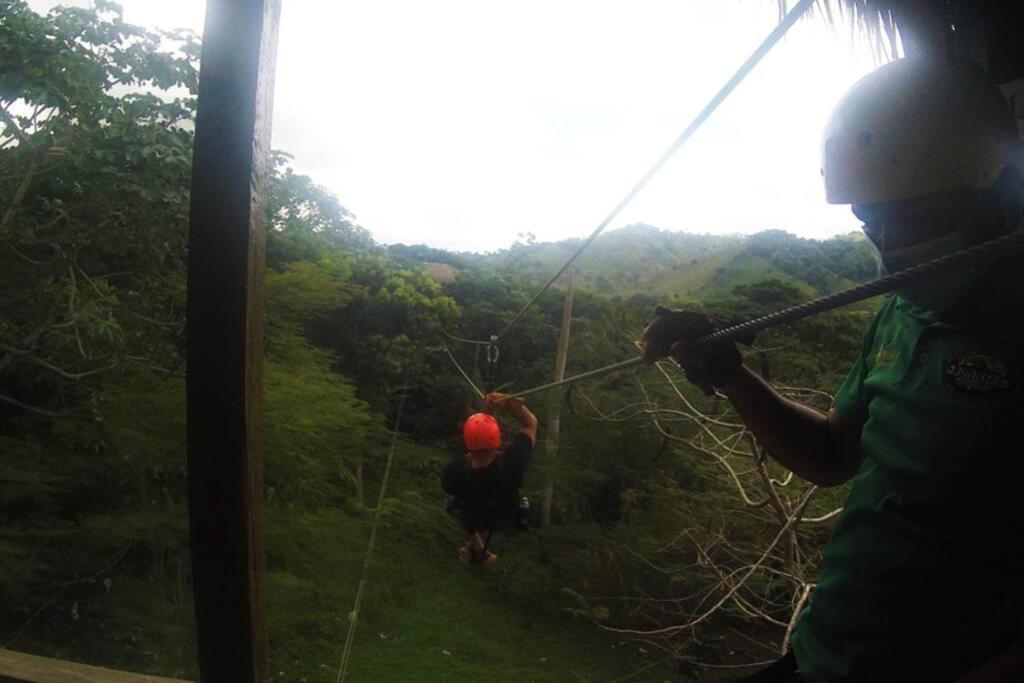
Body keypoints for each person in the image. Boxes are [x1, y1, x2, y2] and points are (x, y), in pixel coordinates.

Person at [642, 57, 1024, 682]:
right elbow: (831, 455)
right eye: (868, 219)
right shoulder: (904, 311)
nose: (886, 243)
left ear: (996, 188)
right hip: (827, 653)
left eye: (907, 214)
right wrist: (730, 371)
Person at [441, 392, 538, 567]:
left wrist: (485, 416)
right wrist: (509, 404)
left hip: (476, 518)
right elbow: (530, 424)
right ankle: (479, 551)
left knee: (451, 501)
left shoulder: (453, 472)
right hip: (506, 516)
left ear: (465, 441)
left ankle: (478, 548)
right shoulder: (513, 461)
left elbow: (472, 458)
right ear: (497, 437)